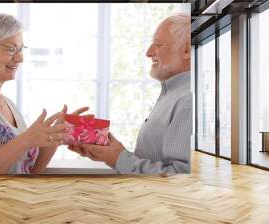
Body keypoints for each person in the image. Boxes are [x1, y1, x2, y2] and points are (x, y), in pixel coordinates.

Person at [69, 14, 192, 174]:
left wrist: (118, 158)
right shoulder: (171, 94)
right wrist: (110, 154)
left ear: (187, 50)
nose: (148, 52)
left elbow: (180, 178)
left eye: (158, 44)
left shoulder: (187, 101)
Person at [0, 12, 89, 175]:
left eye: (21, 49)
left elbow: (30, 171)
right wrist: (27, 139)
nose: (20, 58)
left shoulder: (9, 105)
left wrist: (56, 135)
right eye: (11, 49)